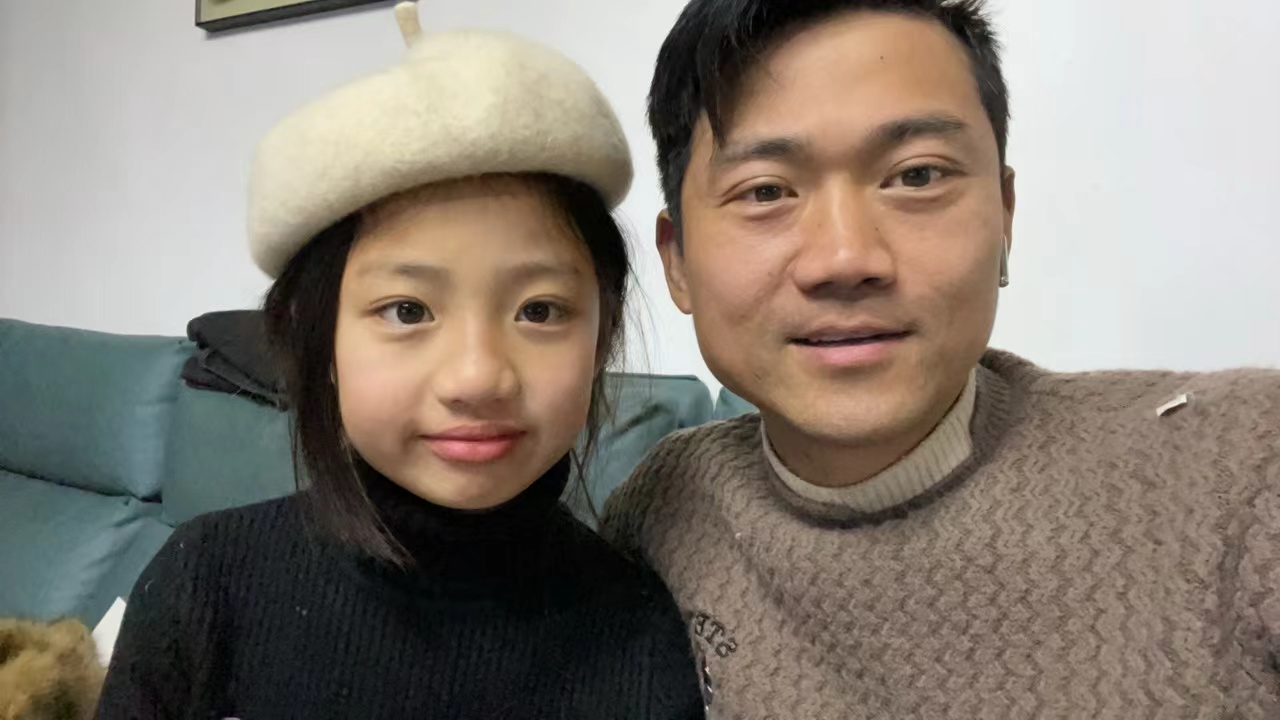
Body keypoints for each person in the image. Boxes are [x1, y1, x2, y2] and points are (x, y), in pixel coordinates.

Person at [601, 0, 1280, 717]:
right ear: (676, 261)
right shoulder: (661, 514)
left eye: (917, 176)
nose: (846, 258)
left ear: (1004, 215)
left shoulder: (1243, 464)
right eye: (766, 190)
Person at [97, 3, 704, 717]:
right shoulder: (205, 586)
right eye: (408, 311)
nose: (477, 378)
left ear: (601, 338)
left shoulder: (641, 636)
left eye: (539, 310)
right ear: (320, 342)